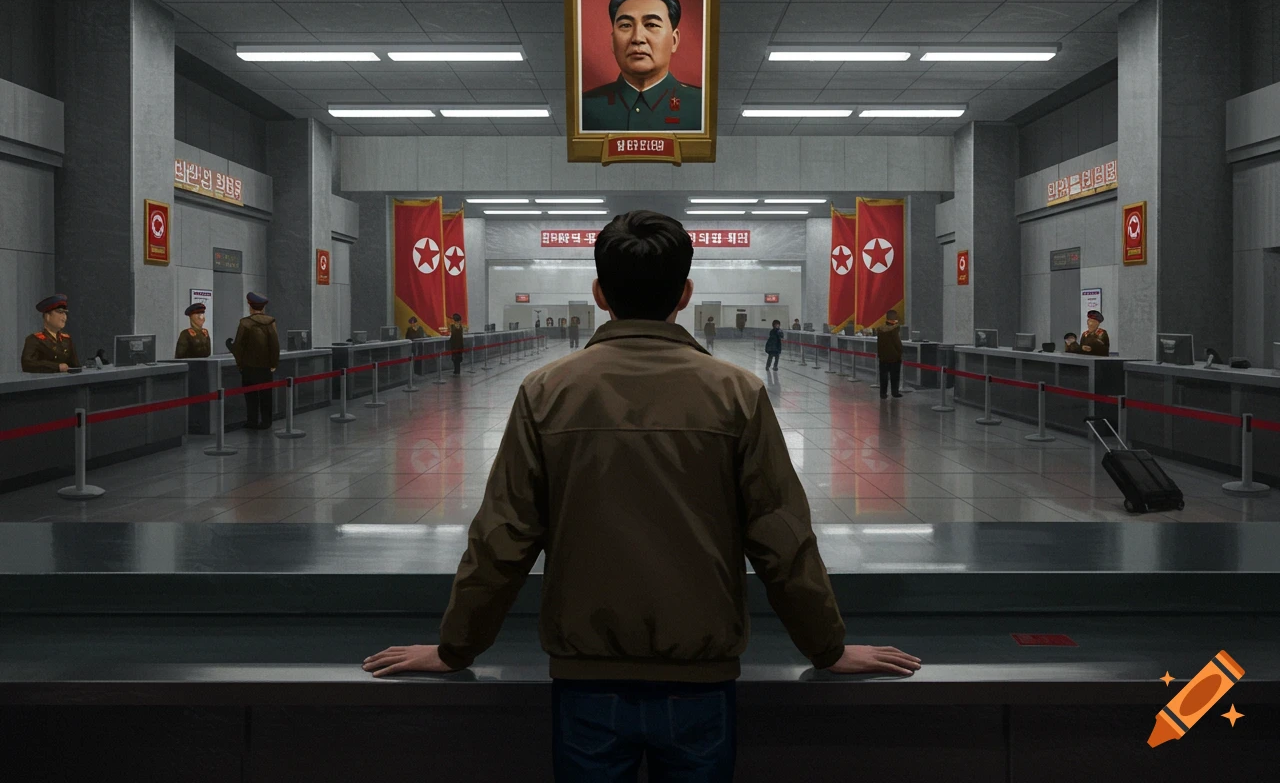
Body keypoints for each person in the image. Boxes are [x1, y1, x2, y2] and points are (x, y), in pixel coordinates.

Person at [362, 210, 921, 782]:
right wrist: (826, 647)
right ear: (685, 293)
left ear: (600, 293)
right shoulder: (736, 393)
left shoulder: (547, 391)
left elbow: (504, 534)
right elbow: (781, 536)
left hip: (586, 682)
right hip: (701, 681)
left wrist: (456, 647)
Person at [581, 0, 703, 132]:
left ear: (674, 40)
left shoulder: (703, 106)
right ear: (613, 42)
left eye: (651, 25)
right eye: (626, 25)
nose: (637, 38)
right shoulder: (583, 108)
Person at [229, 292, 279, 430]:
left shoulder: (245, 323)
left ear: (250, 306)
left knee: (250, 396)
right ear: (263, 308)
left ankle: (252, 421)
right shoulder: (271, 322)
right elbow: (274, 345)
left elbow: (238, 346)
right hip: (265, 366)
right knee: (266, 395)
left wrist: (240, 364)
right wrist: (274, 363)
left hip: (249, 366)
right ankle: (266, 422)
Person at [21, 294, 80, 373]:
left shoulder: (66, 339)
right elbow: (27, 364)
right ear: (47, 316)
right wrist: (56, 367)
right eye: (60, 312)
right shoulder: (34, 340)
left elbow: (75, 366)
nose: (64, 317)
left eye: (65, 313)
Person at [876, 310, 904, 399]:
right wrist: (900, 352)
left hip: (883, 356)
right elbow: (897, 343)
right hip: (894, 356)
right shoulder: (895, 329)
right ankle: (895, 392)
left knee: (883, 376)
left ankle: (883, 393)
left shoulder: (880, 329)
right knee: (894, 376)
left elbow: (879, 343)